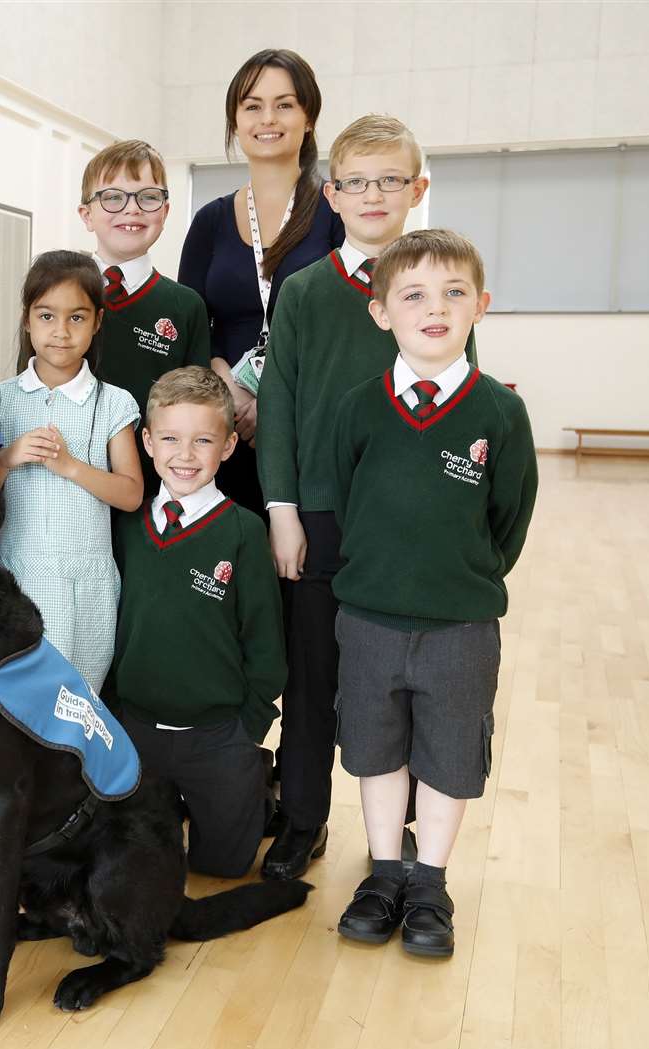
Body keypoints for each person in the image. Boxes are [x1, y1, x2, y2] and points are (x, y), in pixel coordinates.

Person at [330, 229, 537, 957]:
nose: (435, 307)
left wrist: (462, 577)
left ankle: (430, 882)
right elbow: (346, 500)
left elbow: (508, 521)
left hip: (460, 624)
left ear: (480, 305)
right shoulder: (358, 408)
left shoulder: (500, 415)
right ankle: (385, 872)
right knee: (375, 751)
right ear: (382, 311)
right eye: (413, 294)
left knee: (451, 755)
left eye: (454, 292)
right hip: (369, 619)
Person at [253, 114, 432, 881]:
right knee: (312, 681)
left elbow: (462, 400)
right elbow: (281, 405)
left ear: (416, 190)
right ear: (331, 194)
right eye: (356, 181)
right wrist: (284, 511)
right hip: (318, 519)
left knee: (403, 685)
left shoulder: (435, 286)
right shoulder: (301, 292)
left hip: (406, 526)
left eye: (390, 179)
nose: (373, 194)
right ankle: (301, 820)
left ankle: (406, 833)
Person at [105, 367, 284, 879]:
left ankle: (253, 779)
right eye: (170, 439)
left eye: (202, 440)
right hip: (136, 728)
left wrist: (248, 728)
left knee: (222, 867)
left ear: (228, 446)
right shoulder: (127, 525)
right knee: (138, 863)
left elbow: (266, 644)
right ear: (147, 441)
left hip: (218, 733)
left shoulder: (245, 532)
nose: (185, 456)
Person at [177, 48, 345, 518]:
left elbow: (340, 320)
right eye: (252, 105)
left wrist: (267, 396)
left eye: (285, 104)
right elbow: (193, 321)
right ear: (235, 120)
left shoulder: (335, 212)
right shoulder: (210, 221)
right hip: (224, 425)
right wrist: (231, 390)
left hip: (304, 421)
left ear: (308, 117)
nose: (267, 118)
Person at [0, 250, 143, 692]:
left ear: (97, 322)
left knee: (80, 699)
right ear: (26, 320)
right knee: (18, 698)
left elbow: (131, 493)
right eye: (47, 316)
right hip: (18, 576)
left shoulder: (113, 402)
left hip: (89, 581)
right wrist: (9, 456)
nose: (60, 331)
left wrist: (71, 466)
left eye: (77, 318)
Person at [78, 139, 209, 505]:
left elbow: (196, 409)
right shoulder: (62, 292)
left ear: (165, 211)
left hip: (153, 492)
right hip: (70, 482)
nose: (131, 210)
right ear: (86, 214)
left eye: (147, 198)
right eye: (112, 198)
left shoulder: (185, 305)